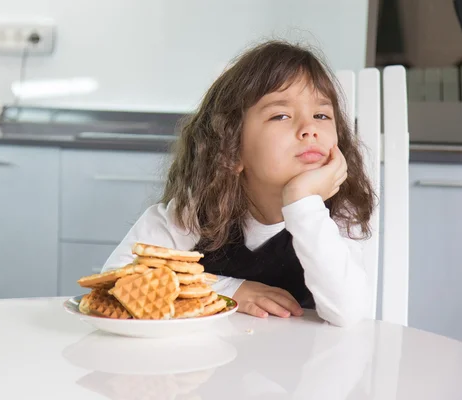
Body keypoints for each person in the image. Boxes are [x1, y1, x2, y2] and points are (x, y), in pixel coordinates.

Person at [101, 40, 376, 327]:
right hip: (206, 365)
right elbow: (118, 280)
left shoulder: (338, 213)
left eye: (321, 115)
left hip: (303, 365)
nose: (310, 129)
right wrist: (230, 291)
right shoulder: (196, 212)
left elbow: (349, 312)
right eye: (281, 115)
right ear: (231, 150)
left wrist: (303, 203)